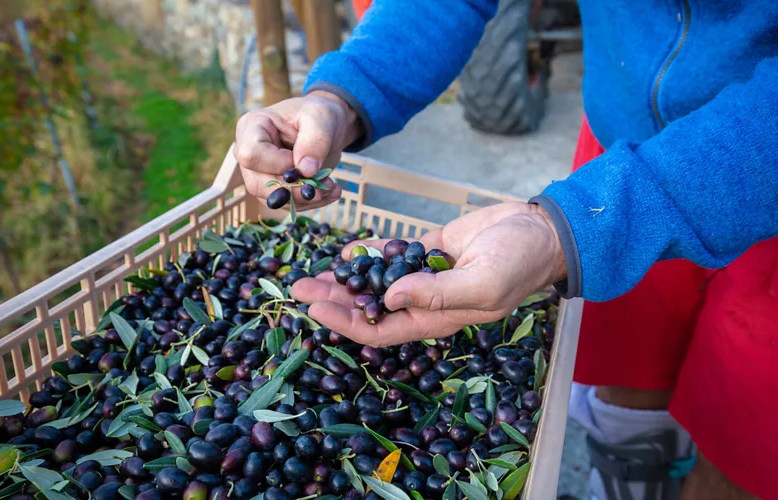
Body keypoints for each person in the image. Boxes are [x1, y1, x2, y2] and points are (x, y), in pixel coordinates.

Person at [233, 1, 778, 499]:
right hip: (620, 157)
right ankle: (629, 475)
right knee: (630, 357)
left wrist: (564, 232)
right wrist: (341, 96)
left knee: (746, 432)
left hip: (753, 168)